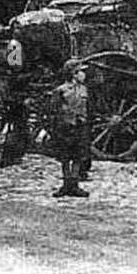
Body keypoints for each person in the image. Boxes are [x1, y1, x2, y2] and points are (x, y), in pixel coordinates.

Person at [49, 61, 90, 199]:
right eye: (80, 71)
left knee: (78, 156)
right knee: (65, 157)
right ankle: (66, 184)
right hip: (65, 127)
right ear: (73, 74)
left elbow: (86, 108)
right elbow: (53, 110)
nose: (83, 74)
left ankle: (74, 183)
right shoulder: (61, 90)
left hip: (80, 126)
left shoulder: (84, 89)